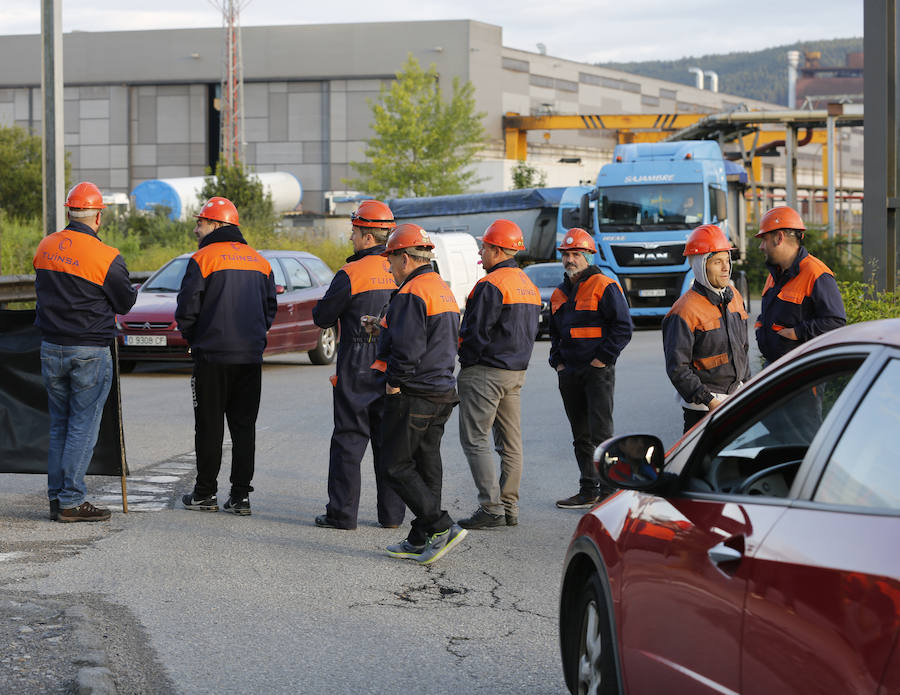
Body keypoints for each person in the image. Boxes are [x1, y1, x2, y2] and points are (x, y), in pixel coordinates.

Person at [33, 181, 137, 522]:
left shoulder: (46, 246)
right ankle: (71, 501)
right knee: (81, 427)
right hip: (89, 350)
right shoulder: (106, 256)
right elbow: (125, 301)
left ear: (69, 211)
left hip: (51, 348)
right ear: (99, 216)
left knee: (58, 426)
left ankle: (56, 497)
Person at [176, 196, 277, 516]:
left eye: (201, 222)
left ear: (218, 225)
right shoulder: (260, 262)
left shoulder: (203, 258)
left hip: (212, 357)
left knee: (209, 426)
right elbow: (269, 309)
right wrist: (253, 339)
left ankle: (205, 492)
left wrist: (196, 341)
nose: (196, 229)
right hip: (250, 357)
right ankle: (240, 496)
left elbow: (186, 310)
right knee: (244, 427)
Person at [374, 223, 467, 565]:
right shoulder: (440, 288)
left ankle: (441, 527)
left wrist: (393, 383)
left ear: (405, 258)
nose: (388, 267)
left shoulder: (412, 293)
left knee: (395, 465)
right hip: (442, 389)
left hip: (415, 392)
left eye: (391, 259)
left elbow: (408, 348)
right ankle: (421, 536)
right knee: (428, 464)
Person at [311, 200, 405, 530]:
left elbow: (322, 317)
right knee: (390, 445)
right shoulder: (407, 270)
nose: (351, 238)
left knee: (349, 442)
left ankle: (342, 514)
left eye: (353, 232)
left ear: (367, 236)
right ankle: (392, 517)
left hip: (358, 365)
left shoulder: (351, 273)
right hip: (396, 367)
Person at [456, 219, 540, 529]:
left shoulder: (491, 284)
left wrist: (466, 361)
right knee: (511, 443)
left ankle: (490, 508)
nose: (481, 253)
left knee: (475, 439)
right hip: (515, 373)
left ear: (498, 249)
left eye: (485, 247)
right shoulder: (527, 285)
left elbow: (475, 333)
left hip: (486, 372)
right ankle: (509, 507)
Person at [549, 228, 633, 509]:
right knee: (580, 437)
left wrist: (602, 360)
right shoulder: (560, 293)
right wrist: (558, 363)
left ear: (588, 256)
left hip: (597, 372)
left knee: (601, 434)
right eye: (567, 254)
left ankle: (609, 492)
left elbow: (623, 328)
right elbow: (554, 334)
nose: (570, 259)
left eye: (576, 254)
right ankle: (588, 490)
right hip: (569, 372)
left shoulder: (604, 285)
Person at [662, 224, 750, 433]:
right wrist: (709, 401)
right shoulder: (683, 311)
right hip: (703, 409)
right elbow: (678, 369)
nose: (725, 268)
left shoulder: (735, 297)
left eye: (727, 260)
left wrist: (747, 387)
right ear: (701, 266)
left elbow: (743, 349)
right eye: (717, 262)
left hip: (737, 399)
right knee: (702, 465)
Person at [755, 205, 846, 366]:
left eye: (764, 239)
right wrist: (760, 327)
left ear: (779, 238)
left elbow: (836, 321)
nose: (761, 246)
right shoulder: (774, 274)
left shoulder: (816, 274)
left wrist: (798, 332)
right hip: (773, 367)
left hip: (802, 376)